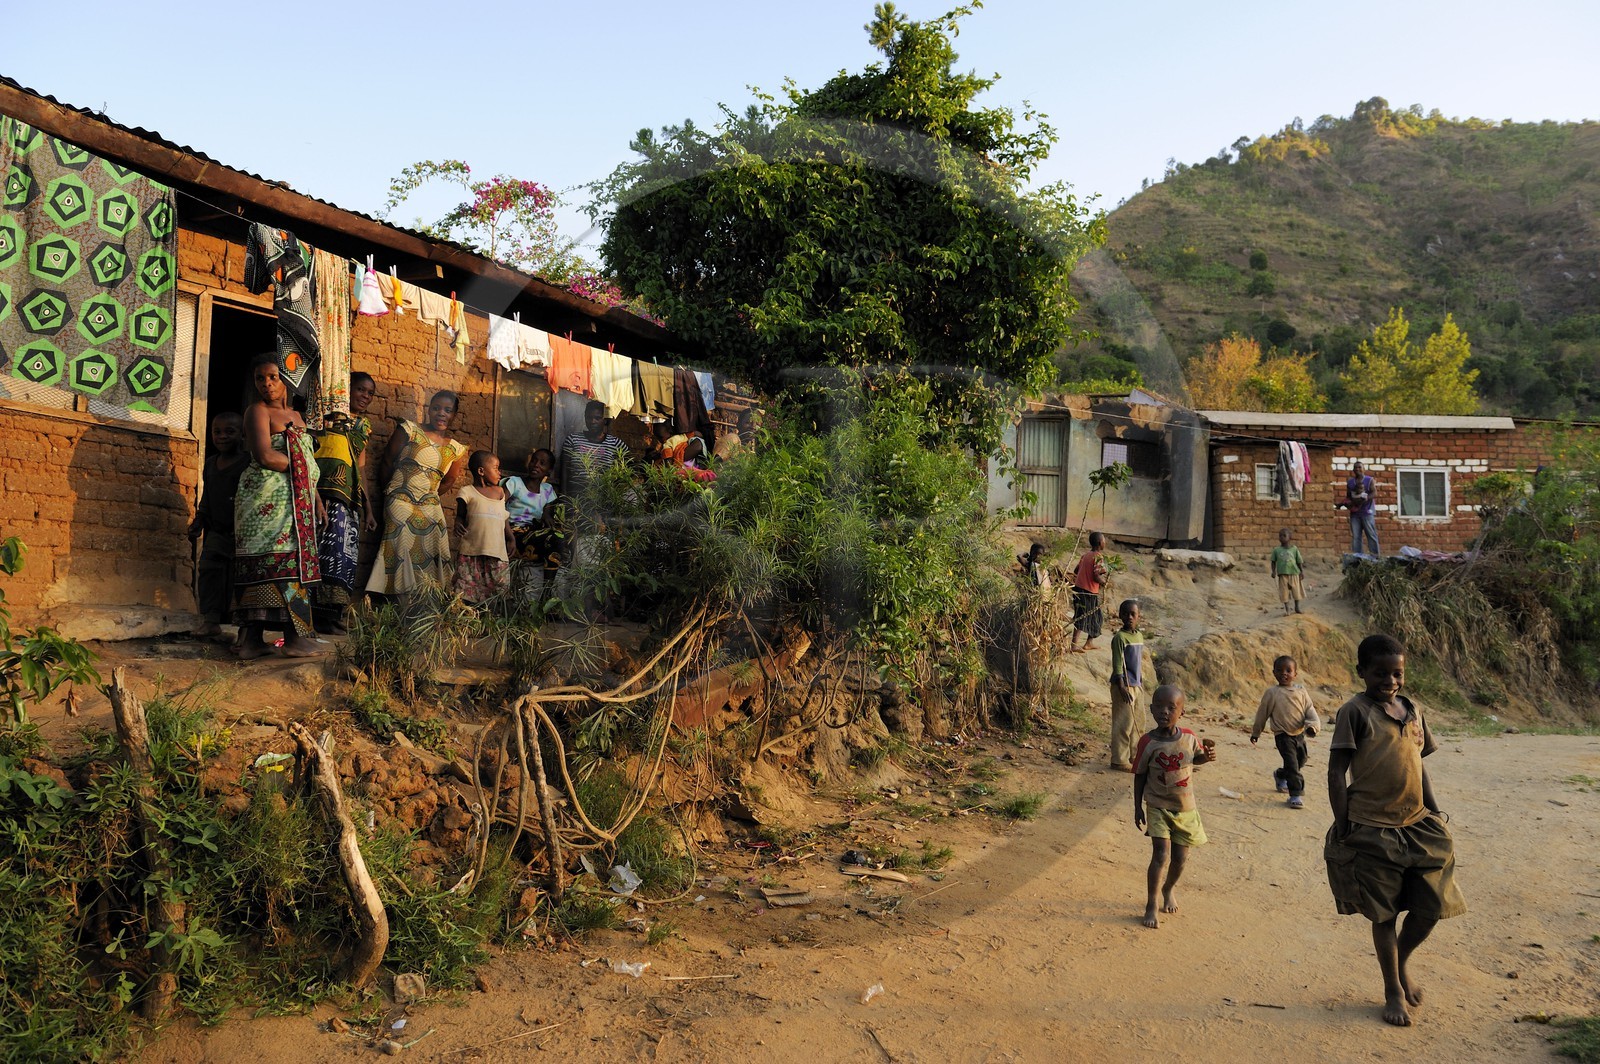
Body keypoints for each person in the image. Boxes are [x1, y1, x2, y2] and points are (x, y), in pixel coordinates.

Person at [1326, 633, 1466, 1027]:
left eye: (1397, 673)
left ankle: (1402, 962)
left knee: (1431, 907)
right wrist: (1343, 823)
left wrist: (1436, 812)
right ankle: (1392, 989)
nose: (1390, 681)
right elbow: (1336, 772)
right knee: (1383, 915)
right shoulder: (1353, 712)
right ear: (1362, 673)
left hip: (1417, 822)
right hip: (1371, 828)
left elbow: (1418, 765)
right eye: (1380, 673)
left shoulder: (1413, 709)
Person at [232, 355, 326, 659]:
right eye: (260, 379)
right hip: (265, 500)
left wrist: (316, 498)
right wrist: (303, 475)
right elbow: (265, 456)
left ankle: (254, 641)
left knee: (292, 562)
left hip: (296, 500)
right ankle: (288, 640)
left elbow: (308, 463)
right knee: (274, 562)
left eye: (273, 377)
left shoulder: (298, 417)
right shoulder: (256, 412)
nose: (267, 384)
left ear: (287, 379)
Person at [365, 390, 469, 599]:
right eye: (436, 408)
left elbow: (449, 480)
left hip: (430, 503)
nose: (441, 413)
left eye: (447, 410)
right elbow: (387, 461)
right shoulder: (409, 430)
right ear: (428, 410)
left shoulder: (456, 449)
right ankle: (396, 600)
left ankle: (428, 601)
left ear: (454, 415)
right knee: (401, 540)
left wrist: (427, 497)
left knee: (436, 543)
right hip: (399, 497)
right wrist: (392, 492)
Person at [1133, 684, 1214, 929]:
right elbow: (1139, 775)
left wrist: (1206, 757)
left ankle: (1168, 889)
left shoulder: (1189, 737)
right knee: (1161, 855)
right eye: (1159, 706)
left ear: (1182, 712)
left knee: (1180, 859)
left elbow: (1195, 758)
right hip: (1157, 805)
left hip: (1186, 807)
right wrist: (1138, 807)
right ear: (1151, 709)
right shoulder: (1147, 742)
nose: (1164, 712)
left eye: (1171, 707)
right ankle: (1150, 902)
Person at [312, 371, 377, 632]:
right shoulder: (325, 417)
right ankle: (318, 616)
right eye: (361, 389)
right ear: (346, 389)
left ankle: (334, 615)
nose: (366, 396)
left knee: (345, 557)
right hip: (322, 494)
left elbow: (360, 470)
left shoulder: (362, 427)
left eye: (370, 393)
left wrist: (369, 510)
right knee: (322, 555)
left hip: (349, 501)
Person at [187, 412, 249, 641]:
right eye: (217, 432)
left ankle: (241, 624)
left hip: (242, 531)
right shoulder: (211, 463)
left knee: (238, 577)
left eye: (230, 432)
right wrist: (200, 520)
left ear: (243, 435)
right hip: (216, 530)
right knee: (209, 571)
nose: (222, 436)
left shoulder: (248, 462)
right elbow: (208, 496)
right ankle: (211, 620)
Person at [1250, 654, 1320, 808]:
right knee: (1293, 765)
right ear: (1274, 673)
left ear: (1295, 674)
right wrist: (1256, 732)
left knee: (1300, 760)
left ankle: (1280, 774)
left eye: (1289, 670)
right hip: (1282, 735)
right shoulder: (1272, 693)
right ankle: (1295, 795)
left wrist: (1313, 726)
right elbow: (1262, 713)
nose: (1284, 673)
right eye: (1280, 670)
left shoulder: (1301, 691)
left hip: (1299, 734)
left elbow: (1310, 709)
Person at [453, 451, 515, 605]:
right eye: (496, 468)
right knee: (466, 594)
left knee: (498, 593)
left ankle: (491, 624)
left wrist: (511, 538)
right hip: (471, 552)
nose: (499, 473)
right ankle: (469, 623)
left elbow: (503, 517)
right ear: (481, 471)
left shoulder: (500, 492)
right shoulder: (467, 492)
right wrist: (458, 522)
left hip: (496, 553)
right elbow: (460, 515)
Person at [1108, 598, 1152, 771]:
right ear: (1120, 615)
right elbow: (1118, 664)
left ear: (1138, 616)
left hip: (1136, 684)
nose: (1129, 617)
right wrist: (1122, 686)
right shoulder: (1120, 638)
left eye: (1133, 614)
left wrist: (1139, 684)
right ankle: (1119, 760)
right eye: (1125, 614)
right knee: (1123, 723)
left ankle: (1135, 755)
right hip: (1123, 685)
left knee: (1138, 722)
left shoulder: (1139, 636)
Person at [559, 399, 628, 505]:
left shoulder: (615, 443)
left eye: (597, 418)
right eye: (589, 417)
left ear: (604, 420)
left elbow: (629, 468)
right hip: (576, 498)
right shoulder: (573, 440)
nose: (592, 421)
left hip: (603, 500)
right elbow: (564, 471)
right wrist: (564, 497)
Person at [1068, 532, 1109, 653]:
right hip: (1089, 592)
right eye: (1104, 540)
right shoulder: (1098, 557)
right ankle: (1082, 644)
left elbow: (1076, 570)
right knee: (1095, 618)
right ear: (1100, 543)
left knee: (1081, 615)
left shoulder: (1085, 555)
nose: (1105, 542)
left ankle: (1080, 644)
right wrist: (1104, 583)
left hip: (1078, 589)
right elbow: (1096, 576)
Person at [1342, 461, 1380, 556]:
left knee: (1371, 535)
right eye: (1355, 468)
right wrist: (1347, 503)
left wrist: (1365, 498)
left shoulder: (1369, 480)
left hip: (1367, 512)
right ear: (1353, 470)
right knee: (1356, 536)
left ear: (1364, 469)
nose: (1357, 469)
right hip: (1355, 513)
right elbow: (1348, 496)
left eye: (1359, 467)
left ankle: (1375, 557)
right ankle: (1358, 558)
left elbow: (1374, 493)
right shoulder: (1350, 482)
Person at [1270, 527, 1306, 615]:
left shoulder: (1294, 549)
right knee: (1284, 592)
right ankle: (1287, 609)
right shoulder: (1276, 550)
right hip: (1282, 574)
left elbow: (1299, 561)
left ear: (1290, 537)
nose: (1281, 537)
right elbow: (1273, 561)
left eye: (1284, 535)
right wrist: (1273, 571)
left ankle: (1297, 607)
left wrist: (1301, 571)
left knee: (1296, 591)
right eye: (1280, 536)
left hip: (1294, 573)